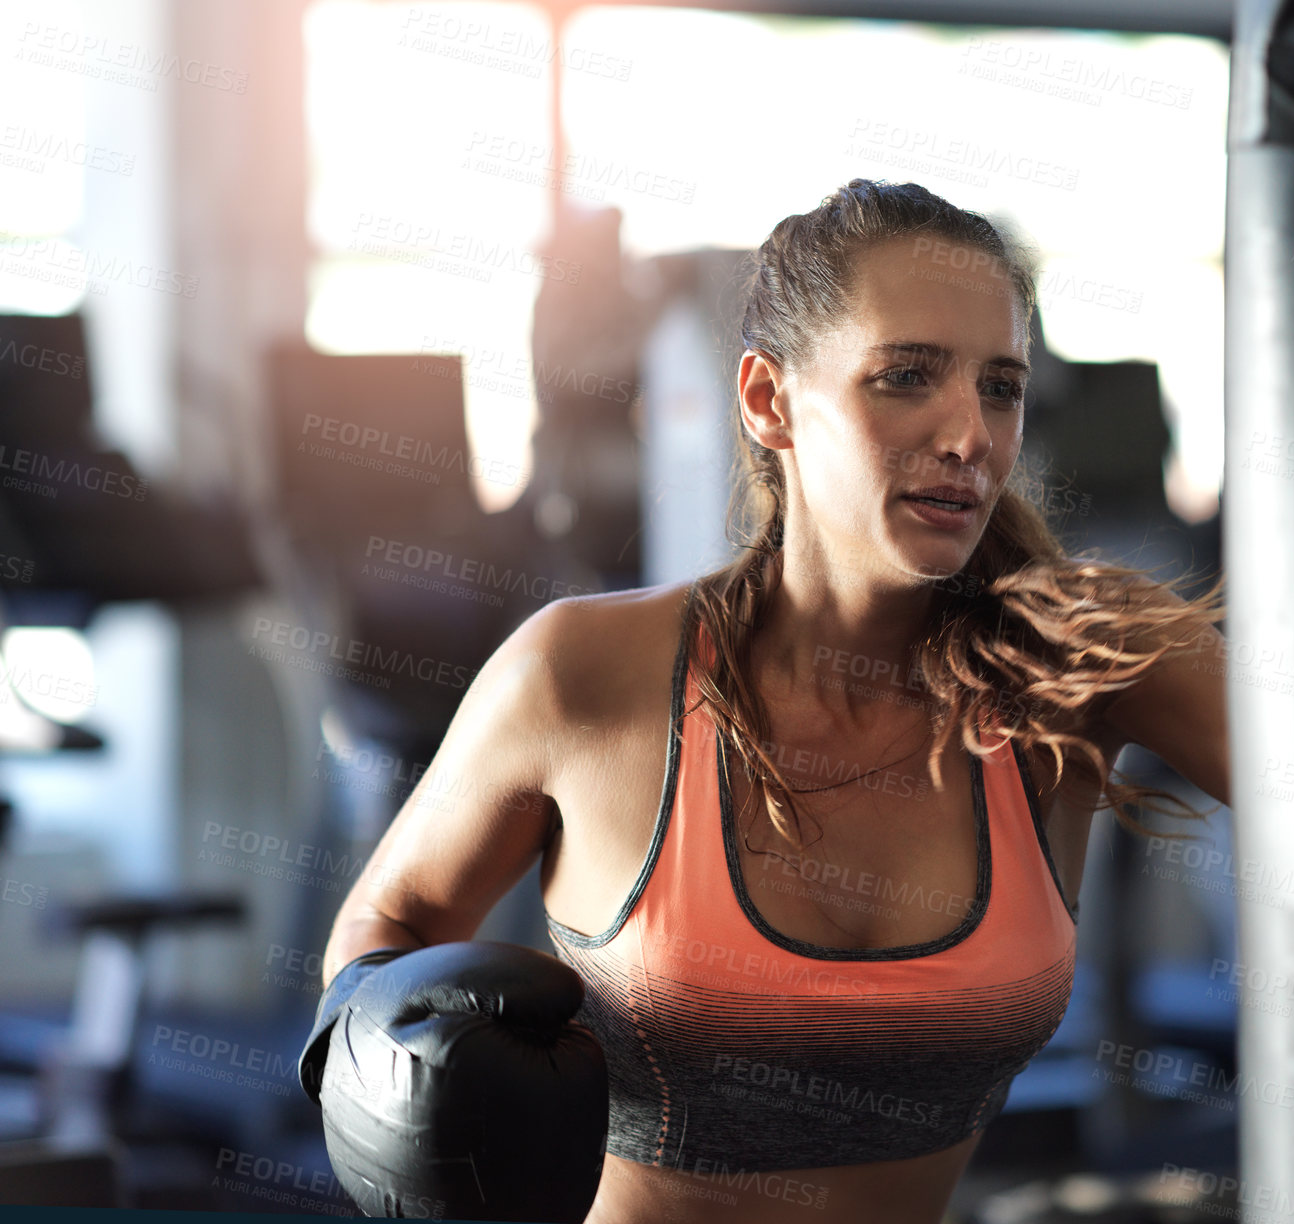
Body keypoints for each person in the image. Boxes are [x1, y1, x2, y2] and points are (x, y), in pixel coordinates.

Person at [312, 178, 1230, 1224]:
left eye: (1002, 386)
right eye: (907, 376)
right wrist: (402, 1063)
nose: (970, 433)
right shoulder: (582, 673)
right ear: (768, 400)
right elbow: (384, 928)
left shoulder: (1071, 663)